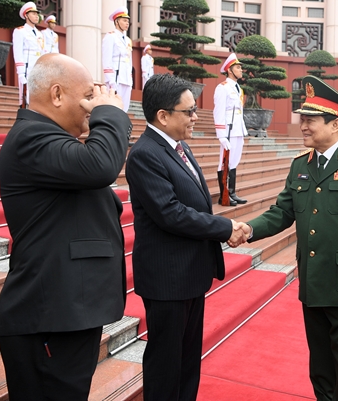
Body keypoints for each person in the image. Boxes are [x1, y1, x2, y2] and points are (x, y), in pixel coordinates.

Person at [242, 75, 338, 401]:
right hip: (313, 285)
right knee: (321, 370)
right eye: (302, 119)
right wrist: (248, 229)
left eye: (310, 120)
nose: (303, 126)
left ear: (335, 124)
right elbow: (282, 212)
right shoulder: (301, 164)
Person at [0, 53, 131, 401]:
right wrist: (110, 113)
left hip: (66, 311)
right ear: (56, 95)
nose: (92, 105)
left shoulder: (50, 139)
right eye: (88, 96)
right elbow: (100, 166)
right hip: (48, 315)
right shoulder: (30, 137)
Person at [125, 73, 248, 401]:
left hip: (189, 274)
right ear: (163, 116)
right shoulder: (145, 154)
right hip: (167, 278)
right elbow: (170, 213)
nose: (195, 117)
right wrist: (225, 228)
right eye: (189, 111)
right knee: (166, 365)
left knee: (187, 361)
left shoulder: (178, 146)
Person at [213, 53, 248, 206]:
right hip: (228, 130)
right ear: (229, 70)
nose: (241, 70)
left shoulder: (238, 89)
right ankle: (224, 195)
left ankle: (232, 193)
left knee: (234, 162)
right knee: (224, 162)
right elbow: (218, 111)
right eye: (238, 67)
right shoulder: (223, 88)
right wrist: (221, 135)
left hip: (238, 129)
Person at [13, 1, 44, 107]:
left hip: (38, 66)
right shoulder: (20, 31)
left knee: (39, 93)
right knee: (27, 96)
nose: (36, 16)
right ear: (26, 15)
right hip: (27, 67)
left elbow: (42, 51)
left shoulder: (40, 34)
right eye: (33, 14)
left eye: (37, 14)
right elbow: (17, 52)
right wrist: (21, 73)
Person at [102, 7, 132, 112]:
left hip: (126, 78)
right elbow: (106, 60)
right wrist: (111, 80)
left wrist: (130, 79)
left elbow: (129, 61)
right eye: (124, 20)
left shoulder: (128, 40)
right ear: (116, 22)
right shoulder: (110, 37)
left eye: (128, 21)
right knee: (114, 108)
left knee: (125, 108)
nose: (127, 23)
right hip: (116, 77)